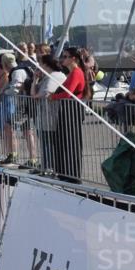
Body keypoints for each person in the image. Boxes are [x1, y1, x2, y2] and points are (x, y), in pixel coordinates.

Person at [50, 47, 88, 183]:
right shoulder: (72, 73)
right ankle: (64, 172)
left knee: (70, 141)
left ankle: (72, 174)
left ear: (74, 59)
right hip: (66, 109)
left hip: (72, 110)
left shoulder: (76, 73)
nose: (63, 59)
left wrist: (53, 97)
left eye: (65, 56)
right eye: (63, 56)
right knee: (63, 140)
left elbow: (68, 93)